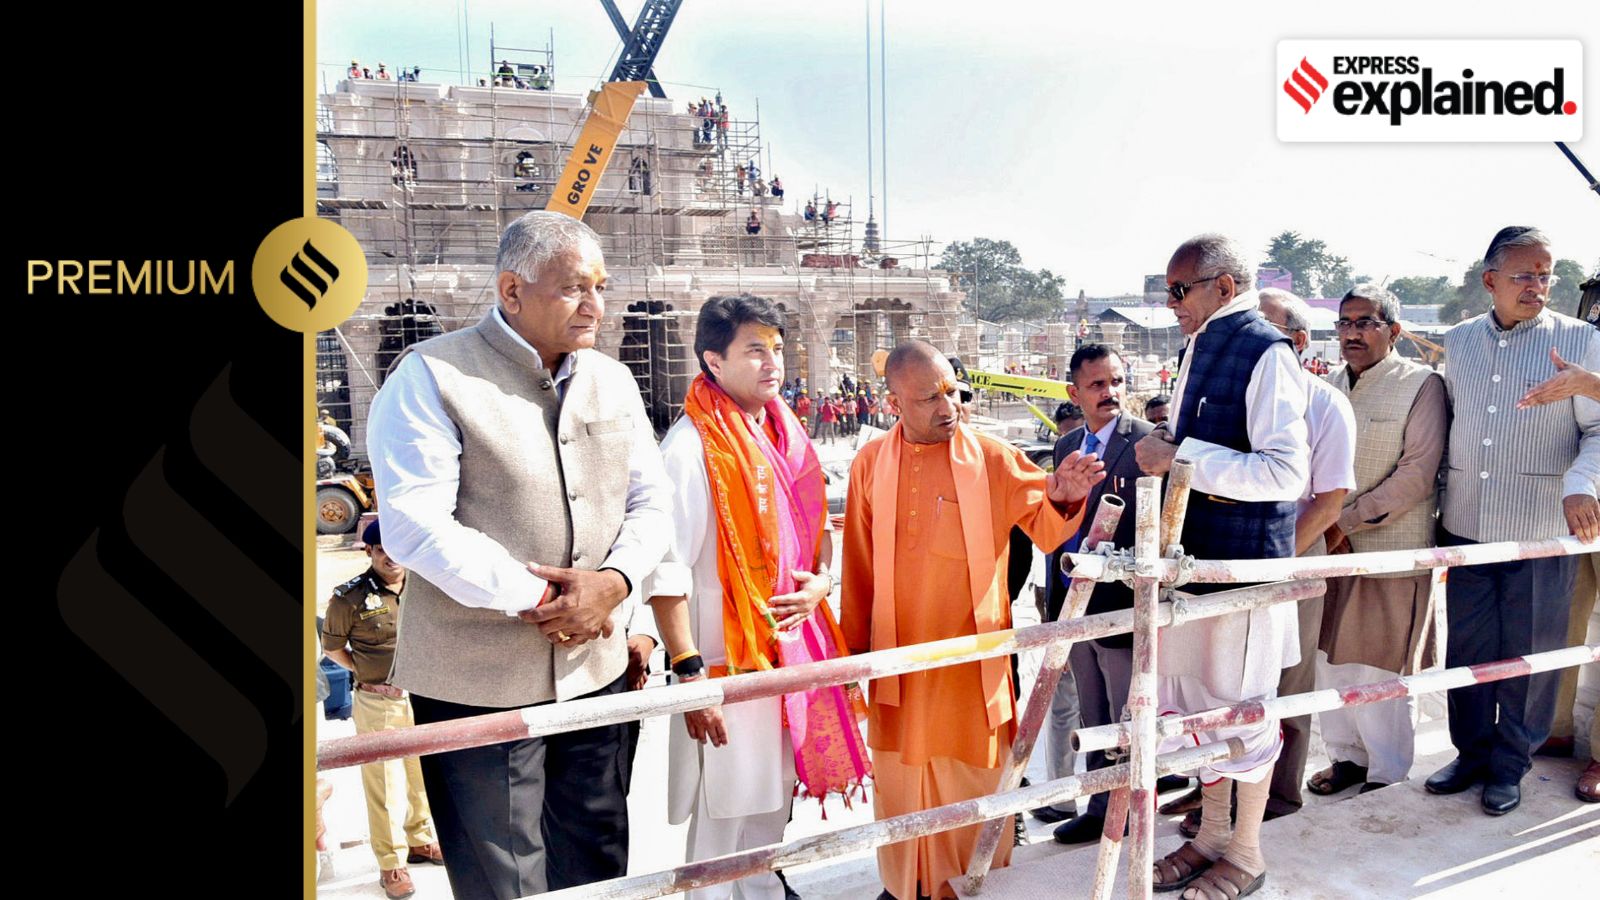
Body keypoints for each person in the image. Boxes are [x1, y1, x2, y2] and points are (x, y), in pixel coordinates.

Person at [366, 210, 673, 898]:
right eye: (573, 288)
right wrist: (552, 600)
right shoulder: (432, 377)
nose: (595, 304)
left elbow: (654, 503)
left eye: (600, 285)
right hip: (477, 687)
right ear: (511, 291)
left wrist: (616, 584)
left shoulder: (612, 379)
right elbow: (416, 526)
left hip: (595, 671)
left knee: (596, 862)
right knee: (502, 877)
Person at [841, 341, 1105, 900]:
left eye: (953, 392)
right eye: (930, 398)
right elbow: (858, 566)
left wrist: (1065, 495)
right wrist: (850, 658)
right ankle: (905, 885)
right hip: (899, 666)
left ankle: (970, 885)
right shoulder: (869, 463)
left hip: (969, 666)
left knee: (972, 782)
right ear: (893, 403)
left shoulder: (991, 456)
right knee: (901, 783)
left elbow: (1047, 521)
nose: (949, 408)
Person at [647, 295, 868, 900]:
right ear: (712, 360)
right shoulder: (693, 450)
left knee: (770, 811)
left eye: (776, 350)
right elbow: (666, 571)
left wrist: (821, 585)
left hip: (789, 654)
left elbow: (814, 536)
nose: (773, 364)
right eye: (754, 351)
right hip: (726, 664)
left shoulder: (785, 435)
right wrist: (691, 676)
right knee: (724, 817)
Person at [1134, 234, 1309, 898]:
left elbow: (1287, 474)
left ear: (1224, 288)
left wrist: (1179, 458)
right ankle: (1209, 837)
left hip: (1243, 573)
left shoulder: (1267, 353)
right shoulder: (1197, 349)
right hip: (1193, 566)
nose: (1171, 302)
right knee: (1200, 710)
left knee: (1243, 711)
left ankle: (1248, 850)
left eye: (1180, 290)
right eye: (1167, 290)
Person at [1425, 225, 1599, 816]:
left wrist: (1581, 486)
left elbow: (1598, 430)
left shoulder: (1579, 341)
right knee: (1467, 650)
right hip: (1466, 524)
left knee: (1529, 652)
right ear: (1490, 280)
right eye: (1524, 274)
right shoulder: (1460, 340)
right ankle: (1470, 754)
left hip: (1542, 529)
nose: (1538, 286)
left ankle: (1509, 765)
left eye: (1546, 274)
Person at [1308, 284, 1447, 798]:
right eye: (1344, 323)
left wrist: (1342, 521)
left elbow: (1416, 474)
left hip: (1389, 550)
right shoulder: (1326, 388)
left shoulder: (1421, 384)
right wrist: (1324, 527)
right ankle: (1346, 758)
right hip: (1326, 549)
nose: (1351, 333)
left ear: (1393, 329)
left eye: (1364, 322)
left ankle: (1386, 774)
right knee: (1330, 660)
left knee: (1381, 666)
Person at [1042, 345, 1161, 843]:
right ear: (1074, 392)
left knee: (1124, 713)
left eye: (1115, 381)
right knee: (1092, 711)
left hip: (1119, 603)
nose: (1109, 393)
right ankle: (1098, 807)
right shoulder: (1066, 444)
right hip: (1072, 601)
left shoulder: (1150, 443)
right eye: (1096, 385)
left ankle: (1130, 809)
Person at [1257, 288, 1356, 823]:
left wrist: (1273, 563)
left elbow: (1327, 505)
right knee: (1236, 679)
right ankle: (1224, 791)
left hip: (1292, 554)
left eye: (1264, 331)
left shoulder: (1326, 404)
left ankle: (1279, 794)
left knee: (1289, 680)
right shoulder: (1248, 397)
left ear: (1296, 341)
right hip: (1242, 556)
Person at [321, 520, 445, 900]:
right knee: (385, 786)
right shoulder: (349, 598)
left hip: (422, 697)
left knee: (421, 775)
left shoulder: (424, 587)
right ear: (370, 552)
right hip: (379, 701)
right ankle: (391, 864)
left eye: (395, 549)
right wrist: (365, 673)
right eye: (381, 550)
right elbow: (332, 649)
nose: (390, 557)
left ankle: (421, 840)